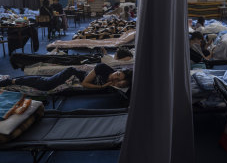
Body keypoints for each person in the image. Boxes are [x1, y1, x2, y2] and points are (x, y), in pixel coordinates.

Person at [0, 63, 133, 90]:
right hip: (71, 74)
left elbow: (123, 85)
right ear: (118, 70)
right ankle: (11, 80)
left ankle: (13, 80)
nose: (115, 78)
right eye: (118, 74)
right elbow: (85, 83)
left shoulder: (115, 82)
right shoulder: (102, 68)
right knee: (46, 84)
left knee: (44, 82)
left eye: (118, 79)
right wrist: (103, 86)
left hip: (74, 78)